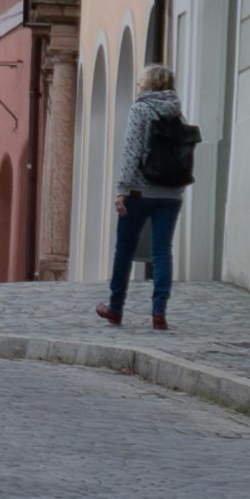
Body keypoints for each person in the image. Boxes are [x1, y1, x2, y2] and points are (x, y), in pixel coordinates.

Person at [101, 57, 195, 329]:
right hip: (171, 193)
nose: (138, 84)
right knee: (162, 250)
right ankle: (159, 313)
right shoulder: (177, 112)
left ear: (152, 84)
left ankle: (115, 308)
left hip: (140, 191)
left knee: (125, 249)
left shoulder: (140, 110)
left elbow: (131, 151)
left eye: (141, 80)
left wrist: (122, 189)